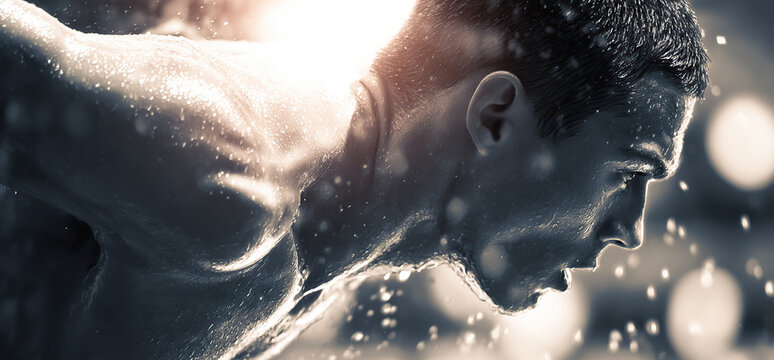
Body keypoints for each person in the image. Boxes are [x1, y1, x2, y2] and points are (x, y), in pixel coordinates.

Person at [0, 0, 708, 358]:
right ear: (494, 116)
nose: (629, 228)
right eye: (629, 172)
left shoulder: (334, 232)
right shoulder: (234, 166)